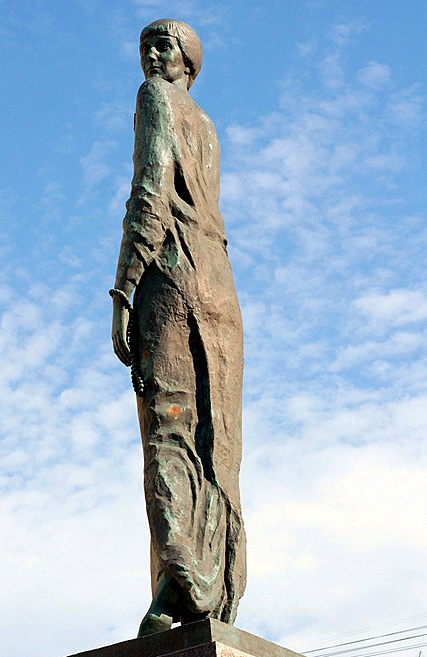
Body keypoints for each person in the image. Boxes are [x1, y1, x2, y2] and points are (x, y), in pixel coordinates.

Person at [111, 18, 246, 637]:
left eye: (163, 46)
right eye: (146, 46)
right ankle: (215, 586)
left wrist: (123, 288)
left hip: (174, 272)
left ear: (187, 62)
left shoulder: (155, 100)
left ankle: (182, 585)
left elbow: (151, 192)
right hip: (220, 278)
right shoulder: (212, 127)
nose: (151, 56)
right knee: (219, 444)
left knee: (169, 429)